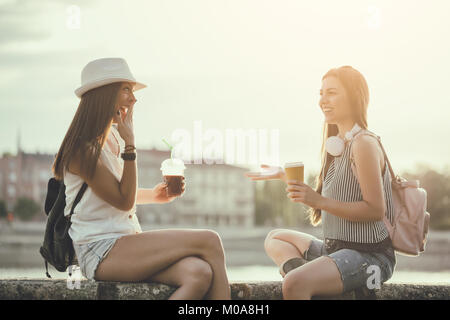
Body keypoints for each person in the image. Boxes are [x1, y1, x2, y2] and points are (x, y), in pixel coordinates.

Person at [52, 57, 230, 300]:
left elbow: (114, 194)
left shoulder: (110, 139)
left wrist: (155, 195)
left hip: (124, 242)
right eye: (126, 89)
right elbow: (124, 202)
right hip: (100, 249)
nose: (133, 98)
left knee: (198, 273)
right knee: (210, 240)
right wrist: (131, 145)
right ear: (105, 94)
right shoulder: (82, 151)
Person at [245, 66, 396, 300]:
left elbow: (376, 209)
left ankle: (315, 284)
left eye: (332, 93)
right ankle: (333, 289)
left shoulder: (363, 143)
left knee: (294, 284)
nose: (323, 100)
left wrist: (317, 200)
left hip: (371, 258)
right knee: (275, 238)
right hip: (336, 251)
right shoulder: (336, 146)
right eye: (321, 93)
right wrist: (287, 178)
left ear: (354, 96)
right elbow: (324, 204)